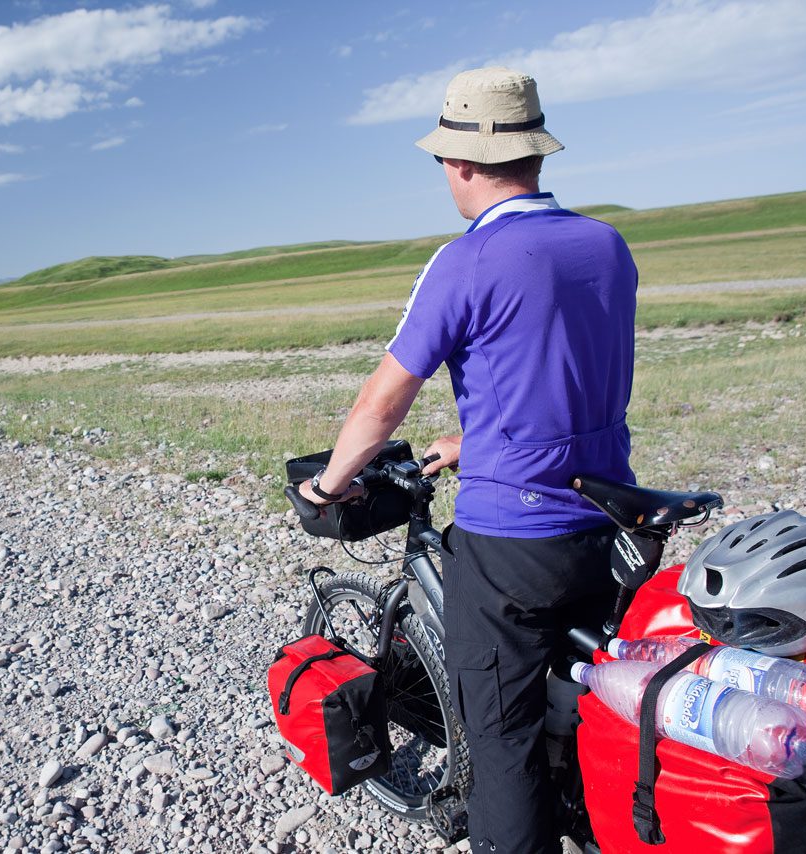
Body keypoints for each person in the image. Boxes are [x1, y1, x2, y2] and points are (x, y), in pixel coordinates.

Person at [297, 67, 637, 853]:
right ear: (538, 155)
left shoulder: (465, 260)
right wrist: (471, 440)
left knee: (502, 737)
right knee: (591, 698)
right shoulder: (606, 245)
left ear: (459, 164)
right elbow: (565, 386)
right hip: (612, 520)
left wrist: (327, 485)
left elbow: (383, 401)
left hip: (516, 540)